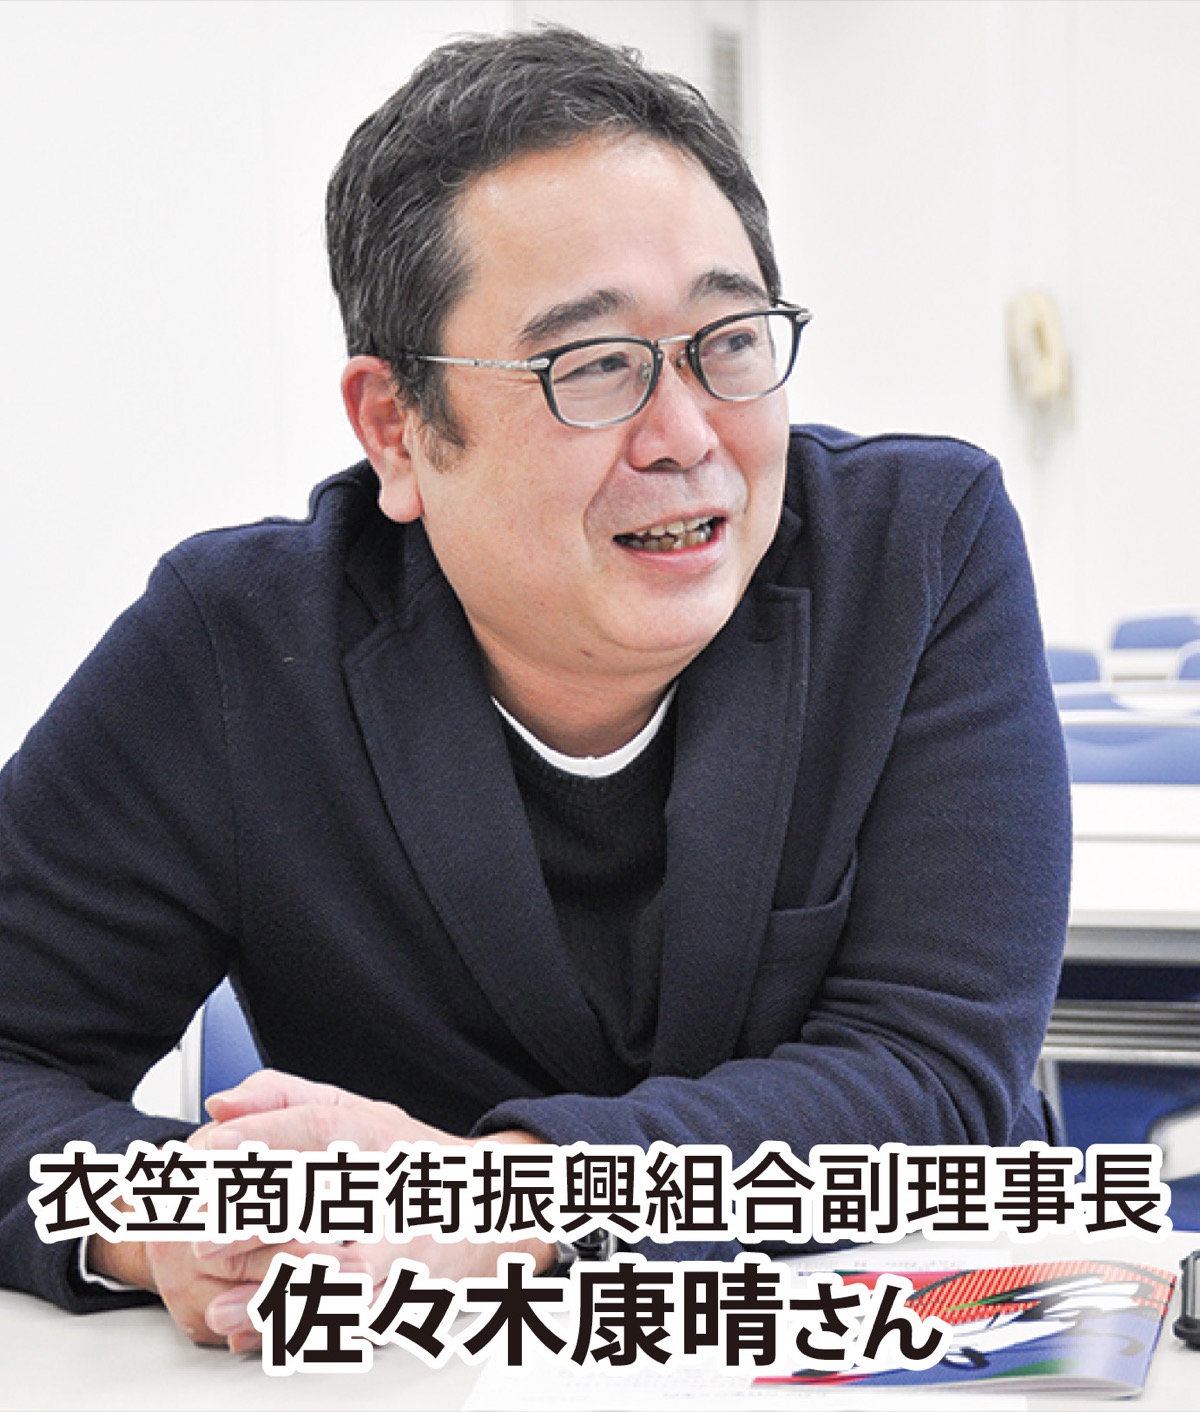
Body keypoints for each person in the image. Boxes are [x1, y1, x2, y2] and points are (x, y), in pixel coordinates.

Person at [0, 26, 1070, 1355]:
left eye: (730, 341)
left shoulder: (917, 554)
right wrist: (162, 1216)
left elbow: (932, 1079)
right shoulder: (239, 648)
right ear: (398, 429)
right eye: (596, 364)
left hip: (893, 1341)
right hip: (424, 1373)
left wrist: (502, 1201)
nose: (687, 434)